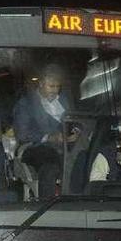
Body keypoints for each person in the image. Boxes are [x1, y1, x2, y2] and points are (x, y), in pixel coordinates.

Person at [12, 64, 79, 198]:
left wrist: (76, 131)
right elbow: (22, 134)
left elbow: (76, 120)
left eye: (57, 87)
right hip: (36, 147)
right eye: (51, 86)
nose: (55, 91)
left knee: (84, 159)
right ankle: (47, 202)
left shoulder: (65, 101)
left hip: (67, 146)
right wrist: (49, 137)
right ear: (41, 84)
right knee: (51, 165)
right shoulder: (26, 104)